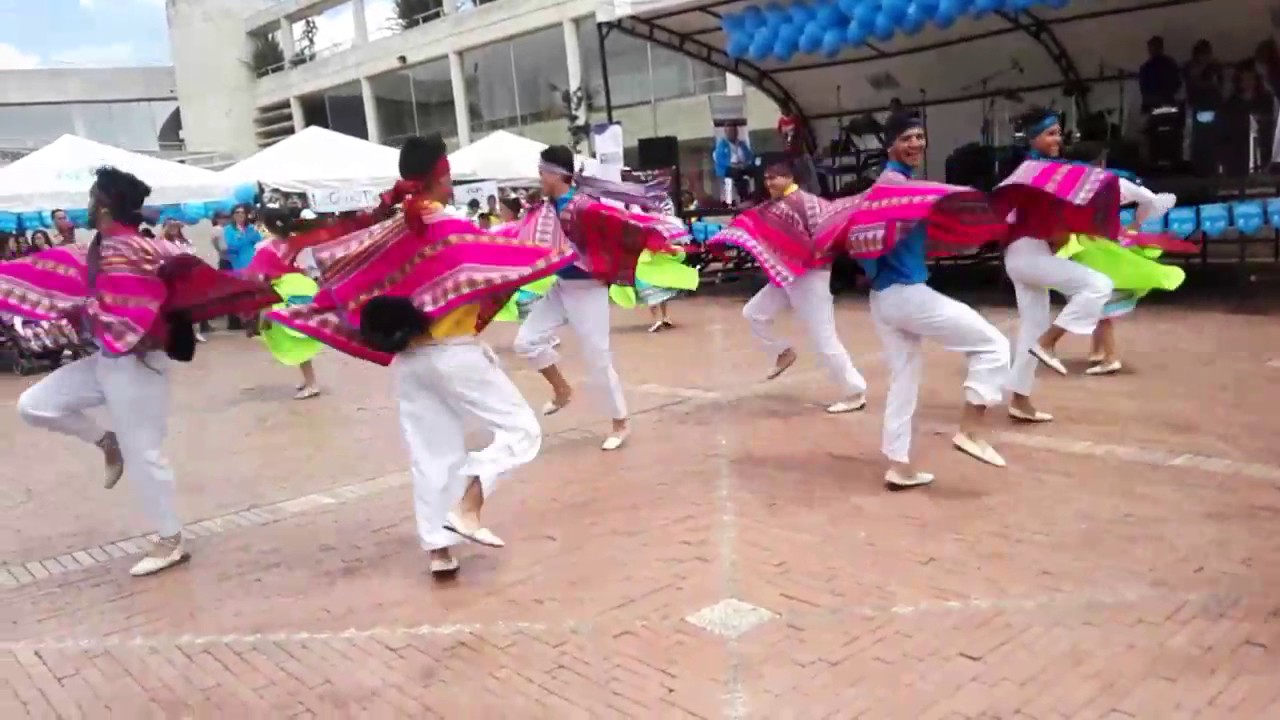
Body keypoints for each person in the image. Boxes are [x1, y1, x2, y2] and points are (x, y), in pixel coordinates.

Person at [267, 134, 571, 575]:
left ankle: (438, 549)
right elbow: (504, 257)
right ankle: (468, 506)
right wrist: (556, 245)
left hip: (411, 362)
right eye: (449, 178)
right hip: (454, 355)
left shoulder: (386, 236)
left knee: (431, 452)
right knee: (522, 431)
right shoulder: (448, 231)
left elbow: (341, 279)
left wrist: (302, 308)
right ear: (441, 177)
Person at [0, 166, 276, 577]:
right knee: (34, 404)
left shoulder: (134, 249)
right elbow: (45, 271)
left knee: (145, 454)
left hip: (139, 363)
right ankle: (106, 442)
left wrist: (93, 311)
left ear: (105, 206)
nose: (87, 206)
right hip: (111, 360)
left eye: (92, 197)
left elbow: (159, 291)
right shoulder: (104, 247)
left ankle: (170, 540)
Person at [843, 113, 1012, 486]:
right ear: (890, 145)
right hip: (905, 295)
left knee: (904, 379)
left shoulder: (890, 187)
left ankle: (899, 465)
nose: (916, 144)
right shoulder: (894, 187)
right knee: (994, 346)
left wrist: (875, 273)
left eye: (920, 137)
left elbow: (864, 242)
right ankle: (970, 430)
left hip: (885, 298)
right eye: (907, 138)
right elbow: (862, 241)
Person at [513, 145, 686, 451]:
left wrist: (660, 243)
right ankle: (562, 390)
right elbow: (520, 232)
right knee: (525, 341)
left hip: (588, 290)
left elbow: (625, 225)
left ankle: (620, 422)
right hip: (561, 288)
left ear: (555, 174)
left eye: (542, 172)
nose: (539, 177)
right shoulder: (543, 207)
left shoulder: (584, 206)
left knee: (597, 360)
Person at [708, 154, 868, 415]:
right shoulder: (779, 205)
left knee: (823, 338)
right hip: (788, 274)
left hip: (811, 276)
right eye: (767, 178)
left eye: (774, 177)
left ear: (789, 178)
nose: (769, 182)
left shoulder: (803, 203)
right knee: (754, 313)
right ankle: (783, 352)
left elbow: (827, 234)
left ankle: (854, 391)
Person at [1000, 108, 1116, 423]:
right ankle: (1049, 343)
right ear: (1033, 138)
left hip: (1024, 255)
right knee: (1098, 285)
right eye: (1050, 133)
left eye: (1059, 132)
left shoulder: (1035, 172)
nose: (1058, 138)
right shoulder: (1038, 171)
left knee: (1031, 327)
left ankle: (1019, 400)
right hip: (1028, 254)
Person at [1058, 142, 1185, 376]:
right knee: (1097, 296)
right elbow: (1152, 200)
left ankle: (1110, 357)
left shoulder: (1068, 185)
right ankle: (1098, 352)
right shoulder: (1117, 182)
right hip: (1107, 243)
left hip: (1083, 246)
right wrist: (1135, 225)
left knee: (1096, 298)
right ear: (1101, 161)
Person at [1185, 39, 1224, 177]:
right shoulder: (1191, 68)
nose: (1205, 57)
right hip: (1199, 110)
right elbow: (1191, 86)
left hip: (1212, 109)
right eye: (1202, 54)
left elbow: (1219, 87)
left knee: (1212, 146)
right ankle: (1199, 173)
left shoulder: (1215, 68)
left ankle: (1211, 173)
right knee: (1199, 145)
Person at [713, 125, 755, 204]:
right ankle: (743, 197)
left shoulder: (741, 144)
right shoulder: (722, 144)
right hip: (727, 168)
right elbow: (720, 159)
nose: (733, 133)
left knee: (756, 170)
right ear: (726, 133)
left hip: (741, 165)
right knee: (737, 174)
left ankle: (756, 195)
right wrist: (734, 165)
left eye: (735, 131)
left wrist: (745, 164)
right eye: (731, 131)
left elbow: (749, 155)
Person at [1139, 36, 1182, 111]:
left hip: (1156, 103)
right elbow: (1177, 84)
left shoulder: (1146, 67)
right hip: (1165, 103)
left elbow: (1143, 88)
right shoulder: (1169, 63)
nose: (1151, 51)